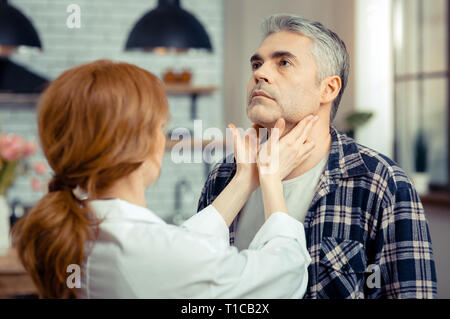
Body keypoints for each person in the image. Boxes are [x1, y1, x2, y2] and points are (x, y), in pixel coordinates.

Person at [11, 59, 316, 299]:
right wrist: (271, 180)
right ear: (140, 144)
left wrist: (245, 179)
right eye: (161, 128)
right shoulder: (149, 252)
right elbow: (284, 277)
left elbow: (181, 251)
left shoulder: (82, 227)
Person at [197, 14, 438, 299]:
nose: (259, 74)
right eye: (256, 64)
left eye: (283, 63)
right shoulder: (224, 177)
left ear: (329, 89)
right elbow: (194, 286)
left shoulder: (380, 182)